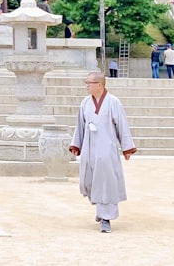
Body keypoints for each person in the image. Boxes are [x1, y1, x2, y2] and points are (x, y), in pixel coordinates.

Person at [69, 72, 137, 233]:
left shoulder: (113, 102)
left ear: (100, 84)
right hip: (89, 147)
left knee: (106, 182)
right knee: (89, 181)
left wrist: (127, 148)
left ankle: (106, 218)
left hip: (106, 149)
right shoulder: (85, 103)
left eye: (89, 83)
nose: (87, 85)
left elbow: (122, 125)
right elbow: (80, 125)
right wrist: (76, 145)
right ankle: (101, 210)